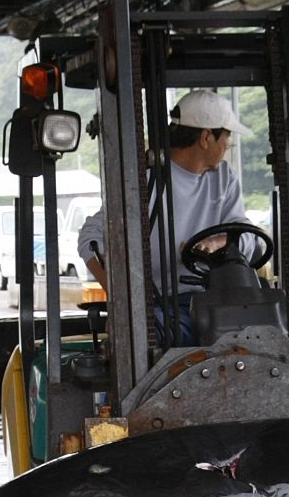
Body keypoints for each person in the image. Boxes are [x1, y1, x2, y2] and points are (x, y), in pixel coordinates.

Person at [77, 88, 254, 345]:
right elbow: (91, 237)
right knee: (155, 335)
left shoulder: (223, 178)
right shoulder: (144, 180)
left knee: (264, 328)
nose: (227, 146)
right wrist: (121, 298)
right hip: (163, 307)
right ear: (206, 137)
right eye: (226, 138)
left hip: (216, 298)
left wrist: (220, 241)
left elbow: (247, 236)